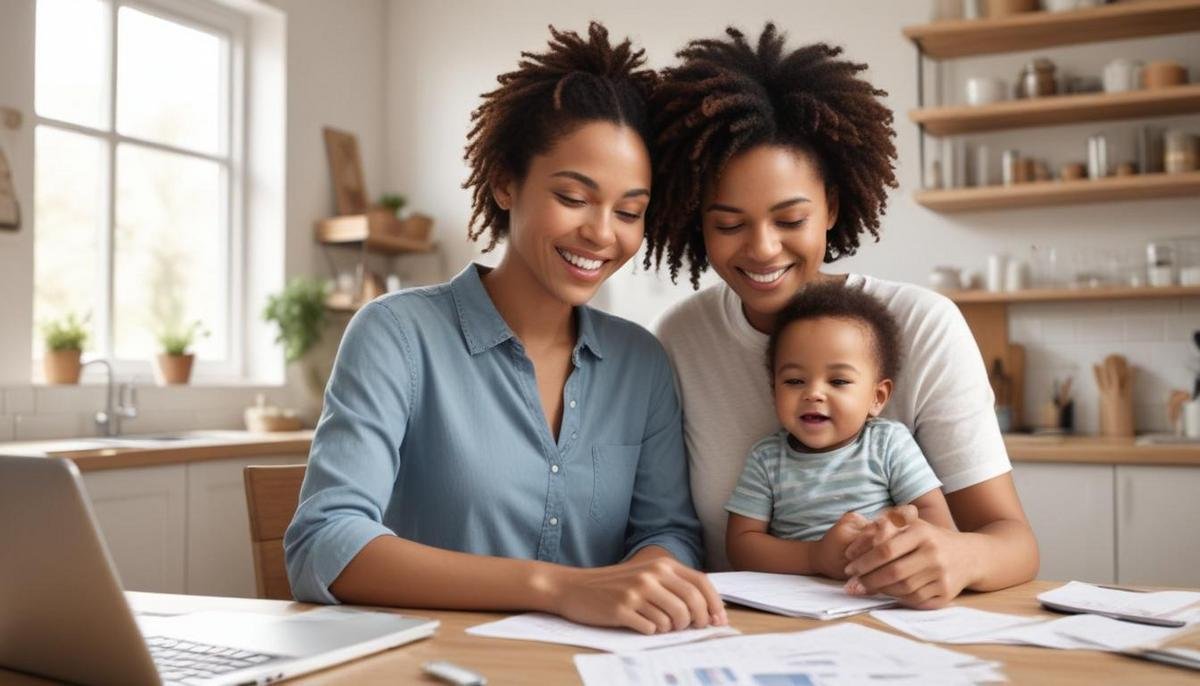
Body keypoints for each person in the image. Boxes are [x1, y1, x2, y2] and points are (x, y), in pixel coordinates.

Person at [285, 23, 726, 636]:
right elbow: (325, 542)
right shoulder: (396, 335)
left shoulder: (641, 362)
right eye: (574, 197)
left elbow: (667, 532)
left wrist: (648, 575)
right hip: (424, 666)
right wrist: (560, 588)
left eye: (629, 211)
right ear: (504, 182)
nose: (603, 233)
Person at [648, 24, 1038, 609]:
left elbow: (1015, 543)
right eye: (728, 224)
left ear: (830, 206)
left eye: (790, 220)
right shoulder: (683, 338)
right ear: (695, 223)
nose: (762, 249)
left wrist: (959, 556)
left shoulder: (922, 324)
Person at [724, 283, 954, 585]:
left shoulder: (888, 444)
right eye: (794, 381)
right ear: (773, 392)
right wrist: (814, 557)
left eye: (839, 381)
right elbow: (741, 545)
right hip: (793, 601)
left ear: (877, 397)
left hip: (881, 591)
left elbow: (938, 522)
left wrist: (896, 542)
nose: (814, 393)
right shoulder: (767, 458)